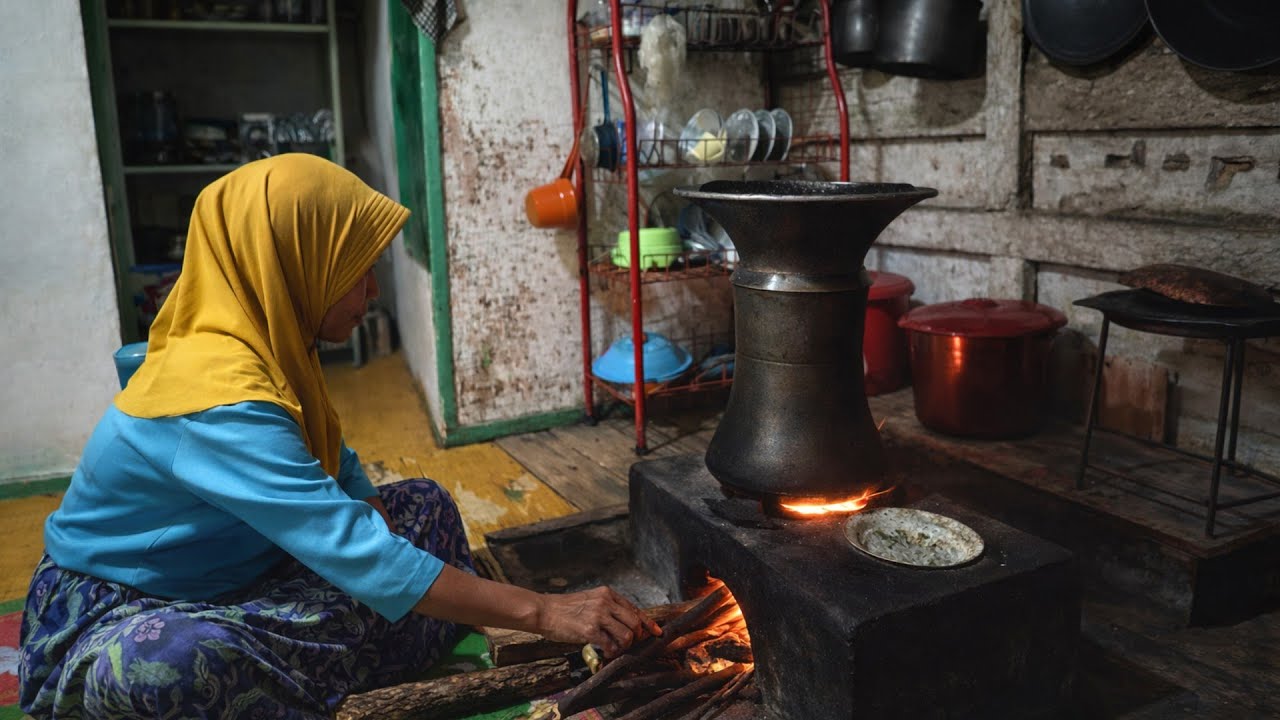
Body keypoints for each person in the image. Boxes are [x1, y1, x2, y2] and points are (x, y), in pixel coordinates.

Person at [18, 154, 659, 719]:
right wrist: (546, 612)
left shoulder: (270, 341)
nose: (373, 293)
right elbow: (354, 546)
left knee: (426, 509)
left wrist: (377, 542)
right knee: (172, 665)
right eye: (358, 273)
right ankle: (352, 650)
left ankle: (343, 653)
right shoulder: (216, 392)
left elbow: (339, 464)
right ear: (298, 267)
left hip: (242, 569)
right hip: (128, 608)